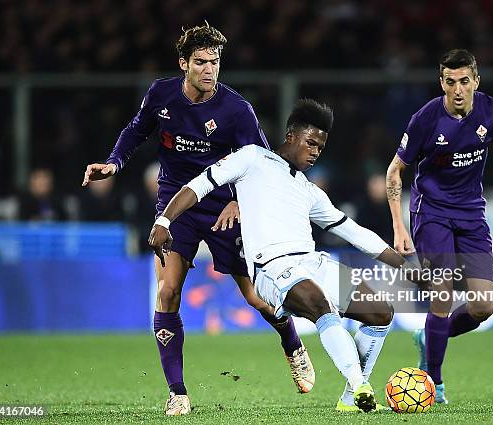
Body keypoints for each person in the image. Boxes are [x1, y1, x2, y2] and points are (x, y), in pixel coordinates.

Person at [81, 23, 312, 415]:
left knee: (257, 297)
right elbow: (135, 132)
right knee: (168, 291)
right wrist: (114, 163)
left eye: (216, 62)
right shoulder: (161, 94)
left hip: (224, 205)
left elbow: (264, 166)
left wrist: (240, 202)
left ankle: (292, 344)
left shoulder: (237, 110)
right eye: (202, 62)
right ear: (183, 63)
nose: (210, 69)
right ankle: (178, 392)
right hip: (176, 205)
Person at [149, 99, 420, 413]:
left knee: (380, 313)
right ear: (292, 136)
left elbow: (353, 232)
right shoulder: (252, 158)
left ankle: (349, 400)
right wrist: (164, 220)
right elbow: (199, 185)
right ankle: (361, 387)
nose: (316, 152)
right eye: (311, 143)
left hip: (311, 262)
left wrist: (406, 267)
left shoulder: (308, 190)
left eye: (321, 146)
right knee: (320, 303)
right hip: (271, 269)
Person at [385, 49, 493, 404]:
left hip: (472, 214)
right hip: (432, 213)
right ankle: (434, 384)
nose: (457, 89)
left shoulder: (492, 111)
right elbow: (395, 170)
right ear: (441, 82)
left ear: (476, 80)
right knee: (442, 294)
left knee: (483, 307)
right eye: (449, 82)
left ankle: (429, 339)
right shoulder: (426, 119)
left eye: (464, 81)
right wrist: (398, 226)